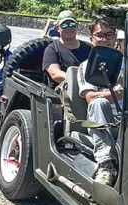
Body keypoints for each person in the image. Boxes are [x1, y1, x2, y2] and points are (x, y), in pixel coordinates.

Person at [78, 18, 122, 186]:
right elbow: (90, 97)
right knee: (99, 103)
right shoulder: (87, 66)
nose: (105, 40)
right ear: (92, 38)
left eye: (109, 35)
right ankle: (106, 165)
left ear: (115, 36)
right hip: (104, 122)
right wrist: (118, 93)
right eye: (100, 35)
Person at [42, 10, 91, 88]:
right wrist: (79, 80)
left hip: (89, 88)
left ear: (77, 27)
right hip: (63, 92)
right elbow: (55, 74)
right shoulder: (52, 49)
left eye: (72, 24)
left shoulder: (89, 48)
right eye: (64, 25)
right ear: (58, 28)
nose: (69, 28)